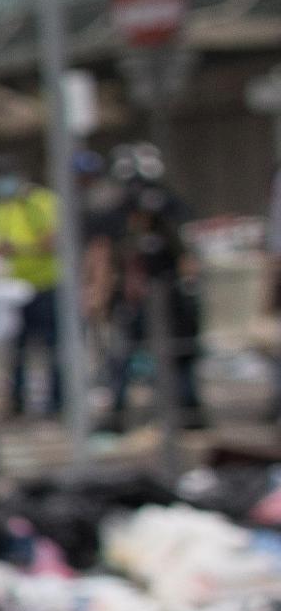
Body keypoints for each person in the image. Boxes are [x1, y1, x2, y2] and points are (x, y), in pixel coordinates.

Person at [95, 144, 204, 436]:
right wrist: (103, 293)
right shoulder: (119, 214)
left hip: (169, 295)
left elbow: (186, 253)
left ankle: (189, 410)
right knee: (122, 356)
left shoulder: (168, 209)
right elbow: (108, 253)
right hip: (134, 298)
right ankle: (118, 414)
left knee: (180, 353)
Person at [0, 169, 63, 418]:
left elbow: (53, 240)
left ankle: (58, 403)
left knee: (53, 347)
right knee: (16, 350)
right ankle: (17, 402)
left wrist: (17, 249)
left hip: (47, 285)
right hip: (12, 291)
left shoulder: (43, 202)